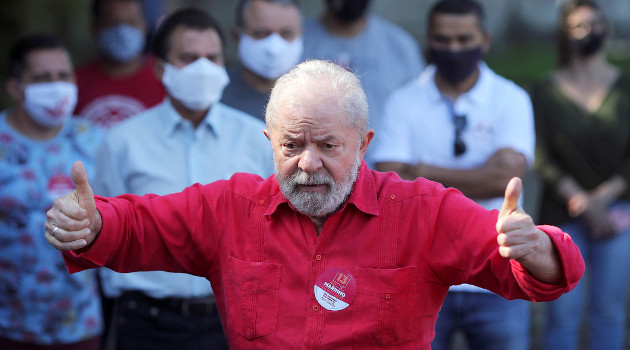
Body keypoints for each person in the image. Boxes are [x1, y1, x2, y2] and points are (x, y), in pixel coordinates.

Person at [45, 59, 584, 349]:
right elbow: (140, 226)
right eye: (292, 145)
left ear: (364, 144)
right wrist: (91, 223)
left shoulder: (422, 210)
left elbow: (528, 270)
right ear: (269, 144)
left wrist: (536, 247)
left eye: (328, 146)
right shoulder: (230, 208)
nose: (307, 164)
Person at [94, 8, 274, 350]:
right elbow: (105, 237)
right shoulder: (122, 142)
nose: (203, 69)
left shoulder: (258, 139)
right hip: (146, 320)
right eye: (189, 58)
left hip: (235, 319)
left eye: (212, 58)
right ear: (160, 68)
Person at [371, 1, 535, 349]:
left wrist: (419, 170)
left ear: (485, 40)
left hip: (497, 269)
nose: (454, 49)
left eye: (464, 39)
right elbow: (390, 185)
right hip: (420, 273)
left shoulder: (511, 99)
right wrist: (483, 170)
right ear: (428, 40)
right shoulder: (403, 101)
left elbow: (504, 181)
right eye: (443, 40)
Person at [531, 1, 630, 349]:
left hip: (618, 216)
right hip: (563, 217)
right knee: (561, 315)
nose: (589, 32)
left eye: (594, 24)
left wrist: (601, 199)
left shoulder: (625, 87)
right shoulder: (544, 91)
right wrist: (581, 200)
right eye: (578, 26)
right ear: (564, 35)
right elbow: (540, 156)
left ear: (606, 28)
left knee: (609, 313)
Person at [0, 34, 103, 350]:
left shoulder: (94, 139)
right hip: (9, 325)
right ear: (16, 88)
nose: (56, 86)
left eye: (63, 76)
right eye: (43, 78)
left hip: (81, 323)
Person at [301, 0, 424, 166]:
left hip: (382, 176)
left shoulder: (401, 46)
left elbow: (420, 115)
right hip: (310, 169)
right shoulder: (294, 40)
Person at [74, 0, 166, 128]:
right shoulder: (73, 83)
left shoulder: (165, 77)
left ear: (144, 27)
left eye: (131, 23)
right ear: (95, 28)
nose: (122, 32)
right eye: (113, 23)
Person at [221, 0, 303, 121]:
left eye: (286, 34)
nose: (274, 48)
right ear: (237, 37)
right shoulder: (214, 95)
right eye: (261, 34)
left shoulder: (317, 99)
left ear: (301, 35)